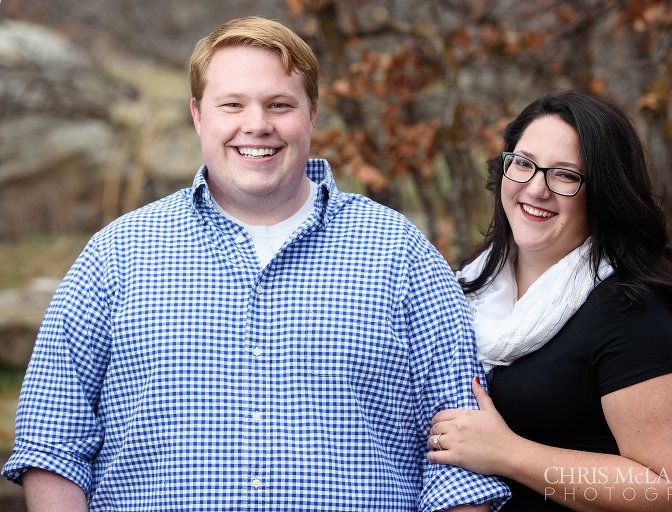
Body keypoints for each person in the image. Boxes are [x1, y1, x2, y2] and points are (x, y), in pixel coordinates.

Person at [2, 16, 509, 511]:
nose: (257, 125)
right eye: (232, 104)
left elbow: (459, 457)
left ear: (312, 114)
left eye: (279, 104)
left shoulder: (401, 254)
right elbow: (52, 443)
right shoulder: (117, 255)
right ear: (199, 115)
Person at [426, 90, 672, 511]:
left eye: (565, 175)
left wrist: (508, 453)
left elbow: (671, 487)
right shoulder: (464, 286)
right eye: (523, 164)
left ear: (604, 193)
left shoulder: (634, 309)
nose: (536, 189)